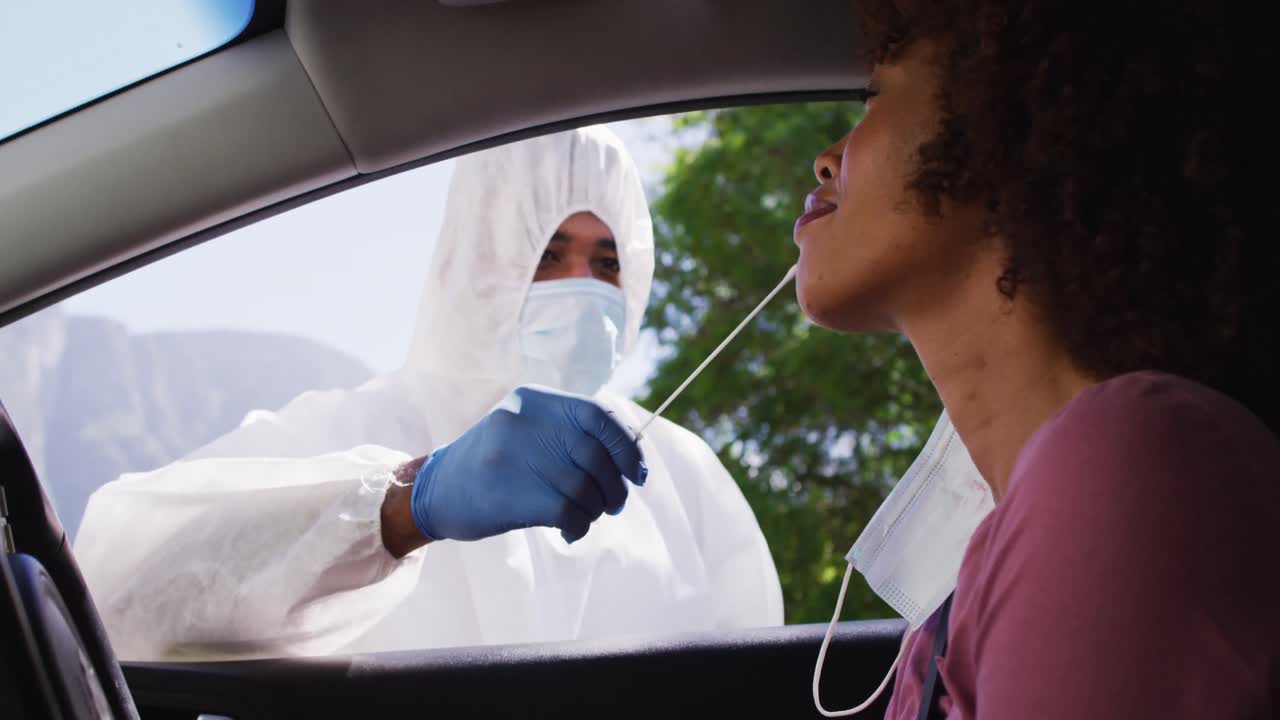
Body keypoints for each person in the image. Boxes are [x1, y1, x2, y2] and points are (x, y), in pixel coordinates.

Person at [75, 126, 783, 661]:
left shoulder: (680, 476)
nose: (584, 288)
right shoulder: (348, 428)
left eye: (606, 261)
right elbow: (116, 590)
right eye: (546, 252)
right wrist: (402, 507)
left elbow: (755, 679)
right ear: (477, 256)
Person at [797, 1, 1280, 717]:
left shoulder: (1127, 463)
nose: (825, 158)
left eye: (875, 98)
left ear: (1006, 128)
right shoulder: (949, 619)